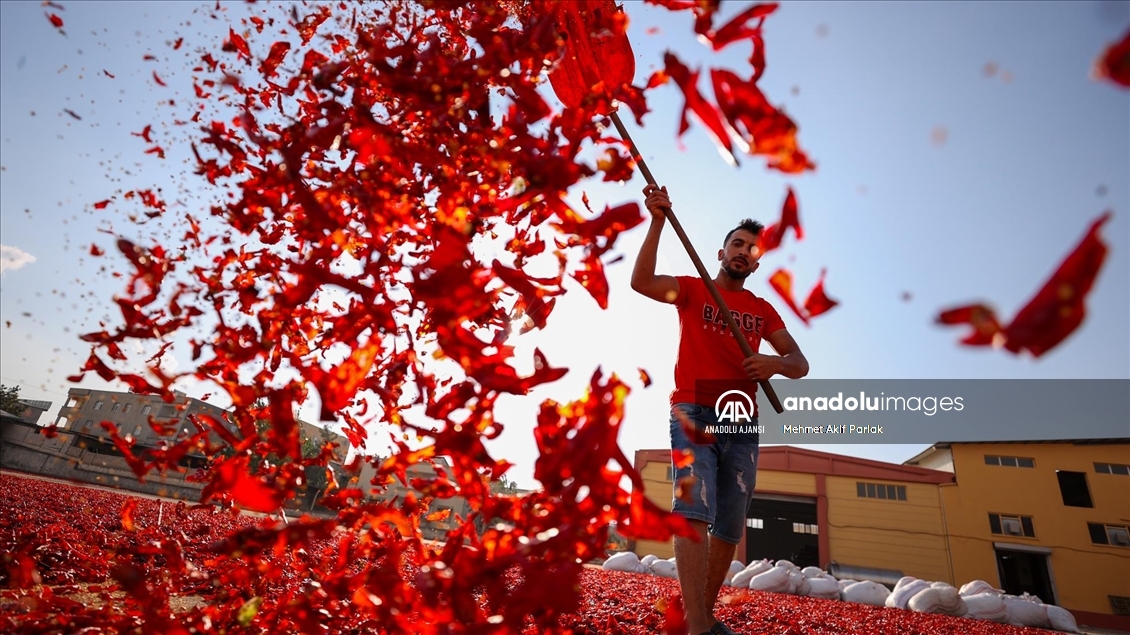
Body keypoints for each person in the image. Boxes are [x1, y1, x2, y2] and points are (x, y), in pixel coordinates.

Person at [631, 184, 809, 635]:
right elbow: (642, 282)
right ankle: (694, 624)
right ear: (721, 251)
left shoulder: (762, 311)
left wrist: (774, 362)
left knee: (730, 521)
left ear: (757, 261)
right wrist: (656, 220)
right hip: (692, 407)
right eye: (737, 244)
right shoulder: (694, 291)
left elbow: (799, 364)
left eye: (752, 249)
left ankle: (703, 617)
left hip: (741, 420)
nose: (743, 252)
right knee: (693, 506)